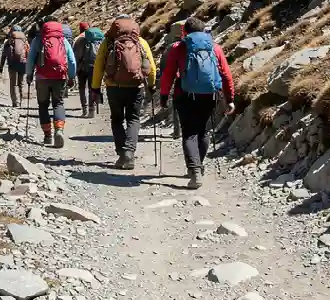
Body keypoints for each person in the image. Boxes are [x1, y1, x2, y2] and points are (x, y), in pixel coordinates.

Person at [158, 17, 235, 189]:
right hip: (210, 95)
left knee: (189, 133)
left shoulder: (178, 48)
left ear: (184, 32)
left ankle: (194, 172)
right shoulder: (214, 48)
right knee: (203, 132)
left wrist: (163, 96)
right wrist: (230, 99)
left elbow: (169, 73)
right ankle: (198, 167)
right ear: (204, 31)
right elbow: (226, 75)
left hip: (184, 95)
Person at [91, 15, 156, 169]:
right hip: (135, 86)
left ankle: (121, 153)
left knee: (117, 119)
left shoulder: (108, 42)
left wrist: (95, 88)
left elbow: (99, 66)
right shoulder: (140, 42)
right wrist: (151, 85)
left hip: (113, 87)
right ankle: (129, 152)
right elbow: (151, 67)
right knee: (133, 119)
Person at [25, 15, 76, 147]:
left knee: (43, 105)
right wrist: (71, 76)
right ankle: (59, 130)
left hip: (42, 77)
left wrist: (29, 74)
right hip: (59, 76)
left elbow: (30, 58)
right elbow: (71, 60)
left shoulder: (38, 39)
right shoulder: (62, 39)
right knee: (58, 103)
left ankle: (47, 135)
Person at [73, 22, 104, 118]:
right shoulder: (98, 40)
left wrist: (75, 69)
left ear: (80, 29)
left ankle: (84, 109)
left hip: (82, 68)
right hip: (94, 66)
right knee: (92, 88)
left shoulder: (78, 40)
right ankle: (92, 110)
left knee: (82, 88)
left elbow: (76, 56)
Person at [0, 25, 30, 108]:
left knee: (13, 84)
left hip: (12, 64)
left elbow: (4, 55)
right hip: (23, 64)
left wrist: (1, 67)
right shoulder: (25, 41)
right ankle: (21, 102)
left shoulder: (9, 41)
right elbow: (28, 53)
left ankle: (15, 103)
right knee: (21, 83)